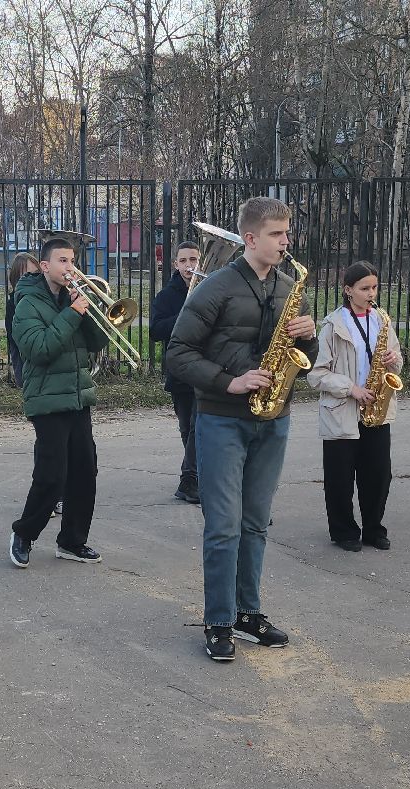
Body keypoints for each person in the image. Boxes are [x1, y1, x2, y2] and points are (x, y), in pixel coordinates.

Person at [164, 196, 317, 660]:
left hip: (274, 418)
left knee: (255, 524)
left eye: (287, 233)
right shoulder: (215, 288)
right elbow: (177, 354)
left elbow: (305, 365)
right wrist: (230, 382)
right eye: (276, 234)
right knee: (224, 526)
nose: (285, 242)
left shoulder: (290, 286)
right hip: (222, 420)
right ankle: (218, 620)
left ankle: (248, 614)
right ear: (250, 239)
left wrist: (308, 337)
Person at [7, 235, 107, 570]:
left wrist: (89, 310)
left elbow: (96, 342)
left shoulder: (73, 298)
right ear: (45, 265)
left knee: (85, 472)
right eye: (62, 261)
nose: (70, 267)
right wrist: (72, 313)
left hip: (78, 395)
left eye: (72, 260)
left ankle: (72, 541)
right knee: (53, 475)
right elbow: (40, 350)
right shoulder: (26, 304)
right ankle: (24, 533)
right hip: (46, 398)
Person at [307, 261, 403, 551]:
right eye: (364, 288)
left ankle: (374, 528)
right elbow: (316, 374)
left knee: (378, 475)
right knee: (340, 478)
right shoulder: (332, 327)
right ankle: (344, 531)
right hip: (342, 409)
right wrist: (352, 389)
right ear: (348, 290)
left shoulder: (382, 320)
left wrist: (393, 361)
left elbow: (397, 361)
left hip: (377, 409)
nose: (371, 293)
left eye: (374, 287)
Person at [151, 240, 201, 504]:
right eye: (183, 261)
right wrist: (185, 313)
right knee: (186, 428)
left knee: (197, 425)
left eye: (193, 260)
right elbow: (155, 330)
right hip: (179, 370)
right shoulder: (167, 296)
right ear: (175, 264)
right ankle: (195, 477)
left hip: (204, 367)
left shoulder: (209, 289)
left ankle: (189, 479)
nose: (189, 266)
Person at [5, 252, 38, 388]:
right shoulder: (13, 302)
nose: (34, 278)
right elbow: (14, 338)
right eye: (26, 275)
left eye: (36, 273)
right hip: (26, 358)